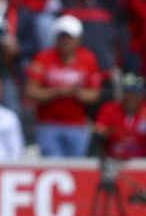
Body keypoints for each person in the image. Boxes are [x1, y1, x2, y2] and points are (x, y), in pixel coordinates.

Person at [25, 15, 102, 157]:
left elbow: (95, 94)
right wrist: (56, 92)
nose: (65, 42)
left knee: (78, 169)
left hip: (77, 125)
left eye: (70, 38)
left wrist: (76, 93)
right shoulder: (43, 58)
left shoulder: (88, 59)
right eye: (62, 37)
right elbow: (31, 90)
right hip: (48, 124)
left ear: (78, 39)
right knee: (53, 165)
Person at [93, 73, 146, 160]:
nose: (132, 98)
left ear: (141, 97)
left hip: (141, 161)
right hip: (112, 158)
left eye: (136, 95)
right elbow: (99, 130)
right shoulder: (110, 108)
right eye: (128, 93)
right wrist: (119, 131)